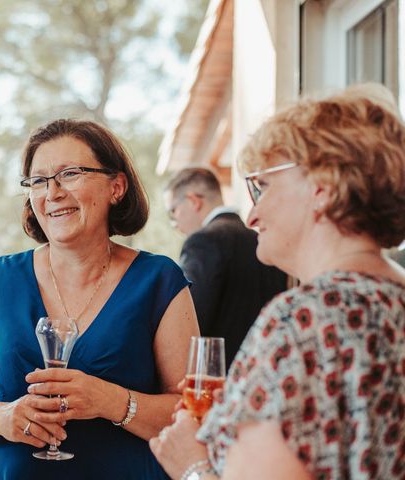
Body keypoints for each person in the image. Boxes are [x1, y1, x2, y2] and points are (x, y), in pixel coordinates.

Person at [150, 83, 405, 479]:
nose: (251, 215)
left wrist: (191, 466)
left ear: (323, 187)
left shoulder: (300, 320)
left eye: (262, 185)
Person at [0, 119, 199, 479]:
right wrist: (2, 417)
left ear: (116, 187)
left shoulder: (159, 281)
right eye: (39, 180)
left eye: (70, 174)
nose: (53, 192)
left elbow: (194, 417)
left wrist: (110, 400)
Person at [164, 168, 287, 366]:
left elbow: (189, 321)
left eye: (173, 211)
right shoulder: (260, 241)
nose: (175, 223)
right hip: (264, 369)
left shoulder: (202, 242)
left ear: (194, 200)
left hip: (216, 379)